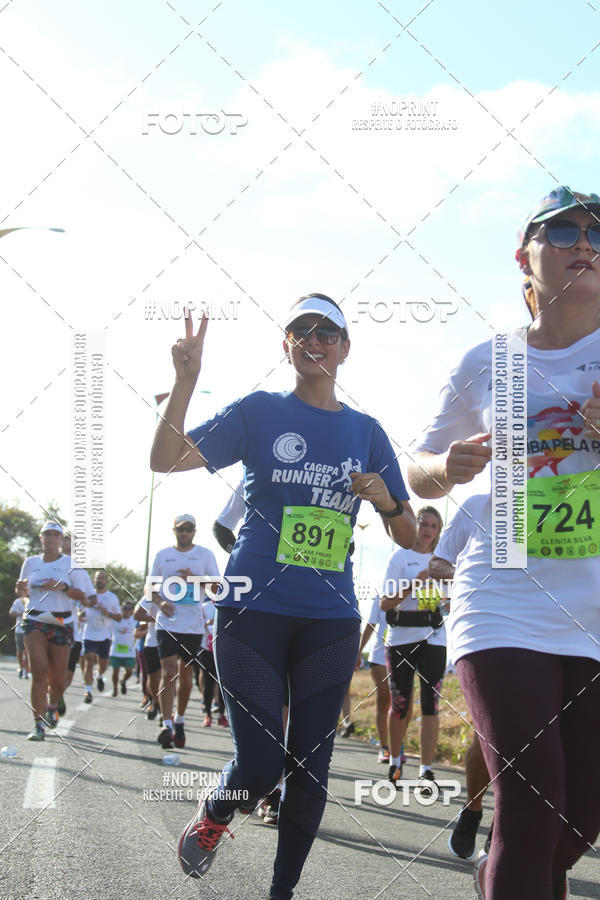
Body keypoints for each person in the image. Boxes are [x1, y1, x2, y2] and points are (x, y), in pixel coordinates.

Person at [150, 293, 416, 898]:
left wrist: (387, 500)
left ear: (346, 348)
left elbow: (406, 533)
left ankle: (281, 893)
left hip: (330, 619)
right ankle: (218, 813)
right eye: (301, 331)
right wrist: (184, 381)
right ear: (287, 345)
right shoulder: (260, 413)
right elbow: (164, 459)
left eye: (327, 332)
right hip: (252, 613)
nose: (313, 340)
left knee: (310, 771)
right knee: (262, 765)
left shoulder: (366, 432)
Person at [408, 186, 600, 899]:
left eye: (597, 233)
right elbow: (417, 469)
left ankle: (510, 879)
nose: (584, 242)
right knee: (531, 804)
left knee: (579, 817)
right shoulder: (486, 362)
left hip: (595, 606)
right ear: (526, 258)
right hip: (505, 592)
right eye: (563, 231)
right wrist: (446, 465)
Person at [426, 494, 491, 860]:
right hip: (489, 627)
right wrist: (470, 574)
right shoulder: (478, 505)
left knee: (540, 737)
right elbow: (438, 564)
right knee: (492, 733)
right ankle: (473, 809)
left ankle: (505, 826)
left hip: (559, 632)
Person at [379, 506, 446, 788]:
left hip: (434, 637)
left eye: (434, 526)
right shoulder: (400, 557)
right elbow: (385, 603)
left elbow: (452, 599)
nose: (428, 530)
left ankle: (426, 769)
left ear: (439, 531)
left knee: (431, 705)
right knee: (401, 704)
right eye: (424, 524)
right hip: (402, 638)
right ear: (415, 526)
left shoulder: (443, 561)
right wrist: (413, 584)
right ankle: (395, 763)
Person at [150, 513, 219, 749]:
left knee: (186, 676)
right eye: (181, 529)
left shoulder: (205, 555)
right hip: (167, 623)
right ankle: (166, 724)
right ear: (174, 530)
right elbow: (149, 588)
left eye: (189, 529)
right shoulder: (163, 555)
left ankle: (179, 719)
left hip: (192, 626)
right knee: (168, 672)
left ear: (194, 532)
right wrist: (160, 603)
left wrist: (195, 578)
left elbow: (218, 588)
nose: (184, 533)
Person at [16, 522, 84, 741]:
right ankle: (38, 725)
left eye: (56, 535)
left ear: (62, 540)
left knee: (58, 678)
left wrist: (63, 587)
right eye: (48, 534)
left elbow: (83, 597)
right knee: (39, 670)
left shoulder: (71, 564)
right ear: (41, 538)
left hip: (61, 620)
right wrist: (21, 592)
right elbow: (23, 594)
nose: (52, 538)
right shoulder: (30, 562)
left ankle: (53, 704)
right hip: (35, 618)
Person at [60, 532, 97, 715]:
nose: (66, 553)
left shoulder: (78, 571)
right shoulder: (43, 566)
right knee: (45, 669)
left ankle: (57, 695)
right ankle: (47, 704)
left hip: (71, 630)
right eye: (63, 548)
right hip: (46, 627)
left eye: (69, 549)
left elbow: (92, 598)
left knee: (67, 674)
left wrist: (85, 602)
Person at [355, 593, 392, 762]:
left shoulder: (416, 585)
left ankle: (397, 745)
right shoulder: (381, 593)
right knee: (384, 699)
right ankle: (384, 747)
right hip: (379, 654)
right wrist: (359, 651)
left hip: (405, 651)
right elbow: (371, 624)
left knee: (401, 702)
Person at [82, 570, 122, 703]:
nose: (99, 580)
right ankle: (88, 691)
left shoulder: (112, 598)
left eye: (102, 578)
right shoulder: (89, 596)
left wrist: (108, 613)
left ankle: (99, 676)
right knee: (89, 661)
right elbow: (80, 611)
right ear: (94, 580)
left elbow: (119, 617)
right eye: (97, 578)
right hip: (89, 633)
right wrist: (80, 616)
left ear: (106, 581)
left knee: (103, 664)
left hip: (105, 635)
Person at [134, 592, 161, 721]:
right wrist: (155, 618)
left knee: (167, 676)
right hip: (152, 642)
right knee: (152, 678)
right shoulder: (153, 594)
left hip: (171, 642)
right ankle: (155, 701)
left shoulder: (181, 593)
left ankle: (165, 714)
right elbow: (137, 614)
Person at [109, 601, 137, 696]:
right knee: (115, 671)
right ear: (121, 609)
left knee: (129, 671)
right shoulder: (115, 620)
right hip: (115, 651)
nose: (126, 610)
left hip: (128, 651)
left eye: (129, 609)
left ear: (132, 611)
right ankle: (115, 688)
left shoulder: (134, 620)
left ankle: (123, 681)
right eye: (124, 608)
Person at [9, 584, 29, 678]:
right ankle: (21, 667)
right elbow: (11, 613)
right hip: (20, 629)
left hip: (30, 629)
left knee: (29, 651)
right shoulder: (17, 601)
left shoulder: (32, 600)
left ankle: (28, 669)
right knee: (20, 651)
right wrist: (20, 614)